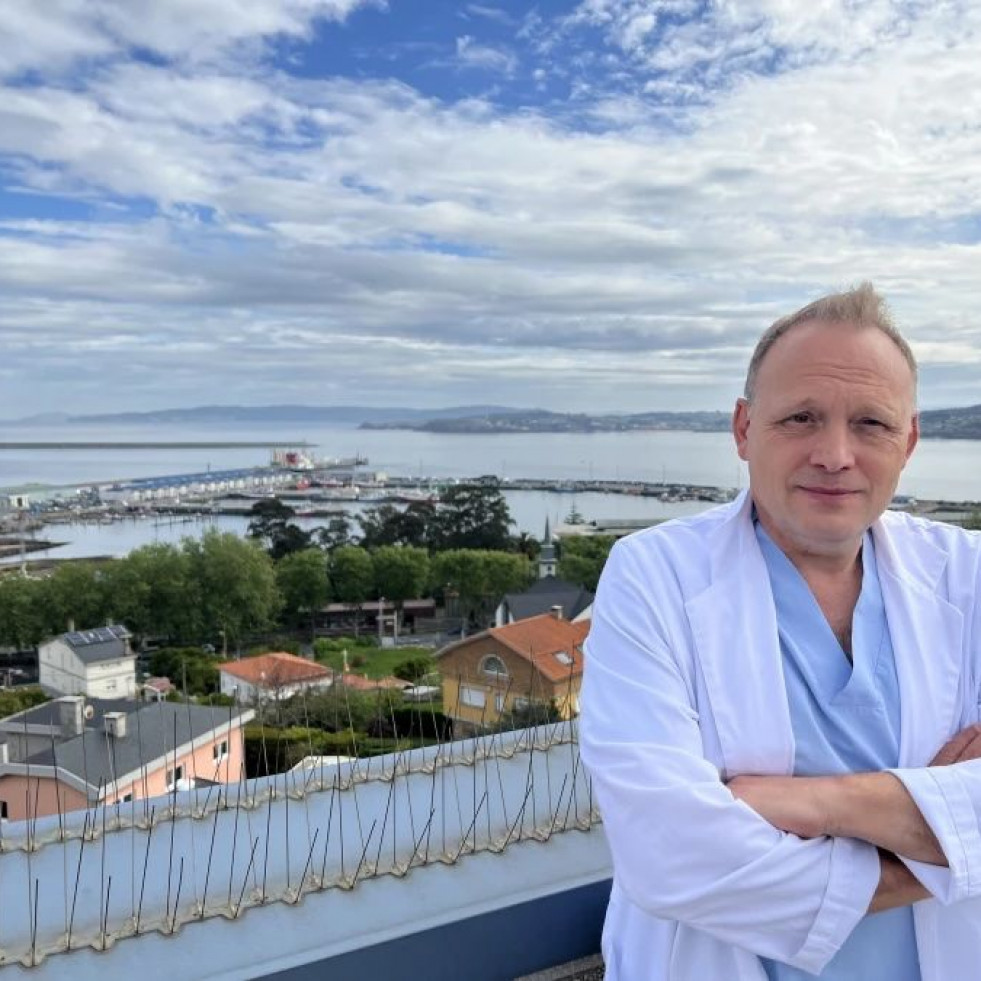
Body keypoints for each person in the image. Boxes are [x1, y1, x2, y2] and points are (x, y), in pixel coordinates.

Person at [580, 283, 981, 981]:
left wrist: (813, 802)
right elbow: (672, 854)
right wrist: (949, 841)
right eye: (800, 417)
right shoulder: (652, 576)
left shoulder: (964, 574)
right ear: (742, 429)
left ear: (908, 440)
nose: (833, 453)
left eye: (870, 424)